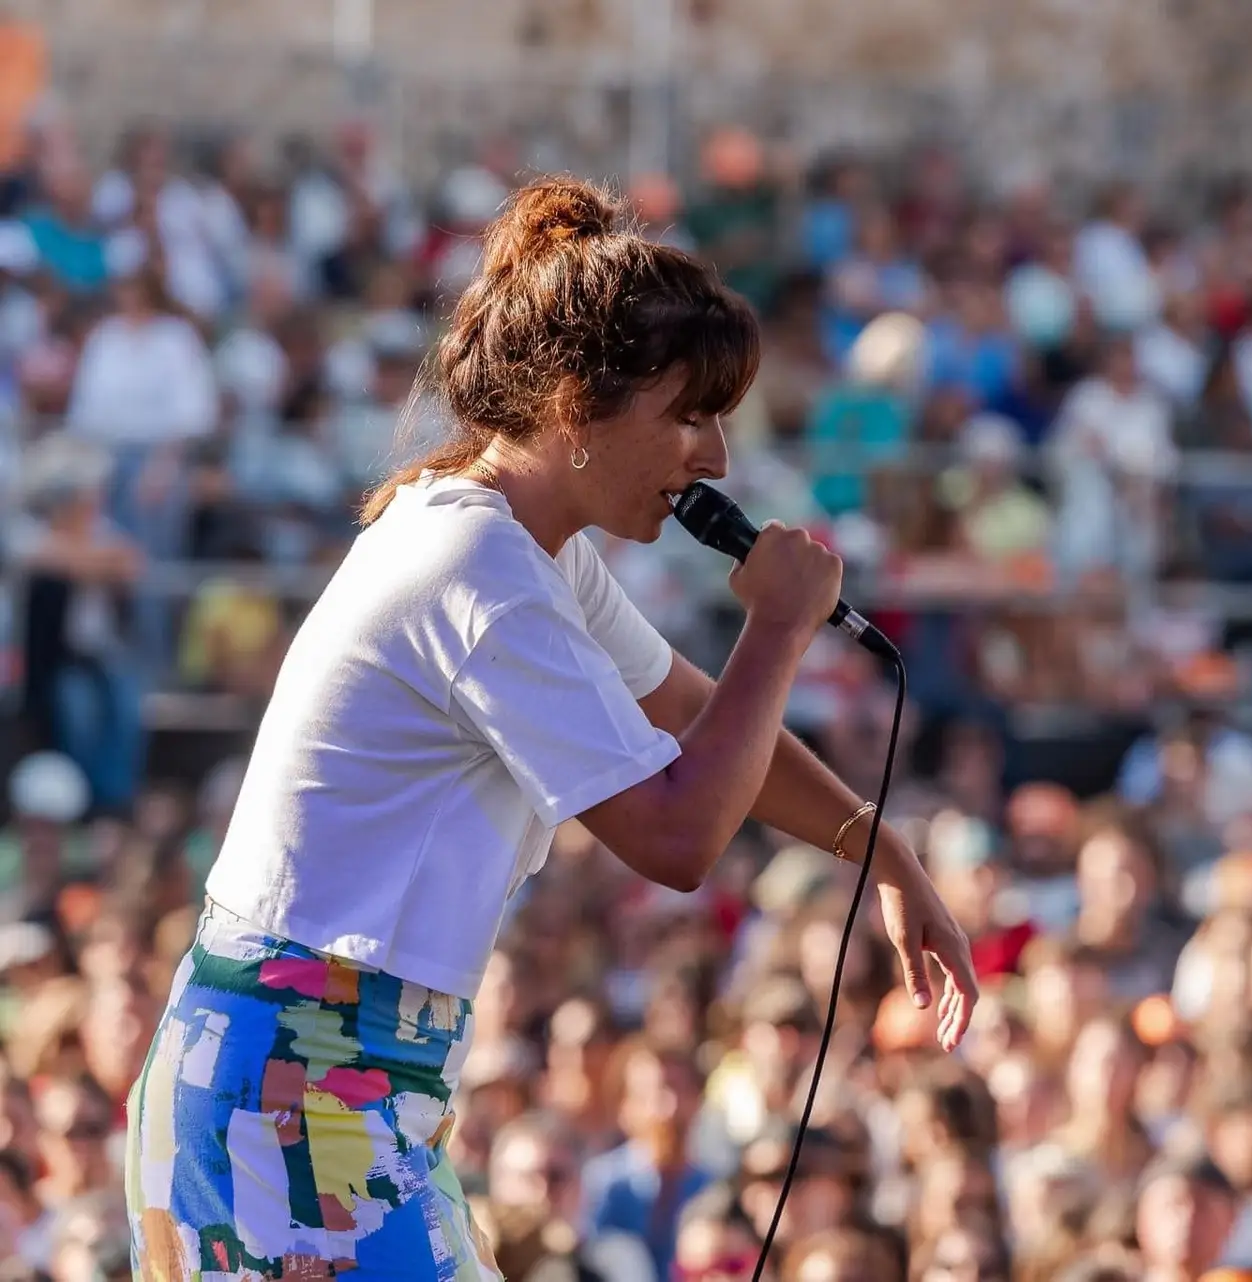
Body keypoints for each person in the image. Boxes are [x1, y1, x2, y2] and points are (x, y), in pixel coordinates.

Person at [124, 177, 978, 1280]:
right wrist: (776, 628)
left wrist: (882, 849)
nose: (714, 457)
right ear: (577, 403)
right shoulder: (475, 566)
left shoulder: (528, 550)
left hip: (327, 1067)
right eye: (688, 413)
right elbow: (676, 838)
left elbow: (689, 716)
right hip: (295, 1075)